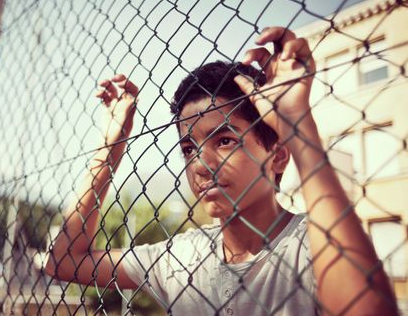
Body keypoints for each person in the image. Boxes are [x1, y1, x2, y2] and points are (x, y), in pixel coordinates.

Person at [44, 27, 398, 315]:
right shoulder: (182, 259)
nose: (201, 164)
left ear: (277, 156)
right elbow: (64, 261)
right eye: (188, 149)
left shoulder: (314, 245)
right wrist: (110, 148)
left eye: (225, 140)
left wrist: (297, 123)